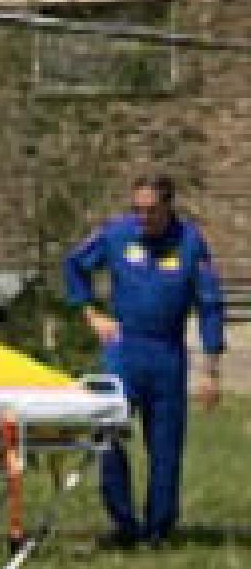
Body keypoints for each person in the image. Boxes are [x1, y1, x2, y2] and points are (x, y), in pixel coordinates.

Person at [64, 174, 226, 549]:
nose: (144, 218)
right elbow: (74, 265)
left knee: (166, 445)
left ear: (169, 206)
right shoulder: (118, 235)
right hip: (124, 350)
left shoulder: (190, 244)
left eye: (152, 211)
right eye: (138, 210)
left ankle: (158, 530)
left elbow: (210, 306)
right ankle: (123, 523)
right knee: (108, 435)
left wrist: (210, 369)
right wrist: (91, 313)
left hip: (167, 354)